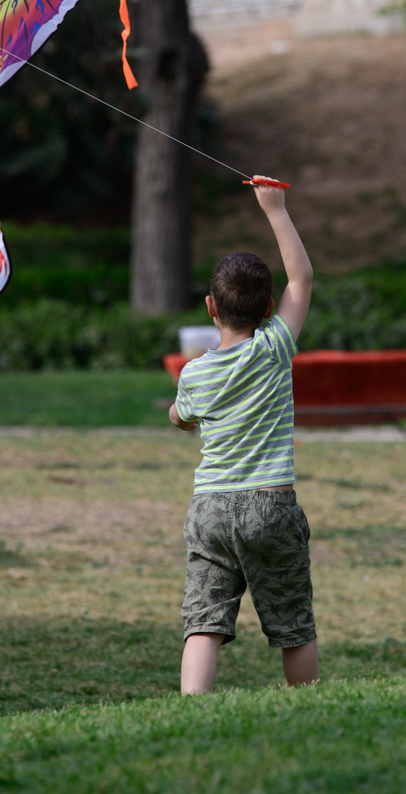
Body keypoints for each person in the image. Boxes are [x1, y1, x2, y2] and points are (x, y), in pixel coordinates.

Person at [169, 179, 316, 694]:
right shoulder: (274, 347)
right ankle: (307, 704)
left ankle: (194, 712)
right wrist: (274, 209)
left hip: (209, 507)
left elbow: (182, 416)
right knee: (293, 624)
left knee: (204, 623)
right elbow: (303, 278)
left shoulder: (193, 373)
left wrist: (177, 414)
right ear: (270, 306)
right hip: (270, 505)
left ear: (211, 307)